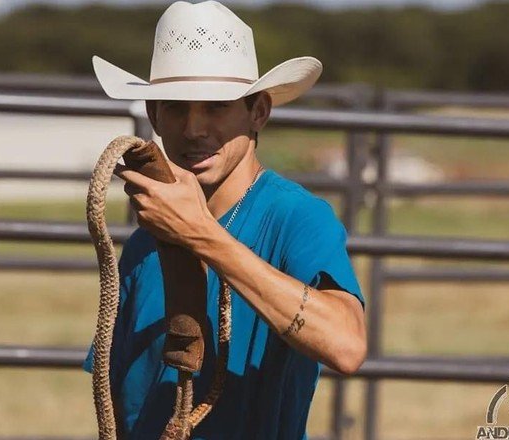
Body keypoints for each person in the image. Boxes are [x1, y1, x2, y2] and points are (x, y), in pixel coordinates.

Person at [83, 2, 366, 438]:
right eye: (176, 107)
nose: (194, 128)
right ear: (154, 113)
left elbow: (347, 346)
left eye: (216, 106)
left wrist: (200, 236)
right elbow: (122, 395)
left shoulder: (298, 217)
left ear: (259, 111)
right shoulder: (146, 238)